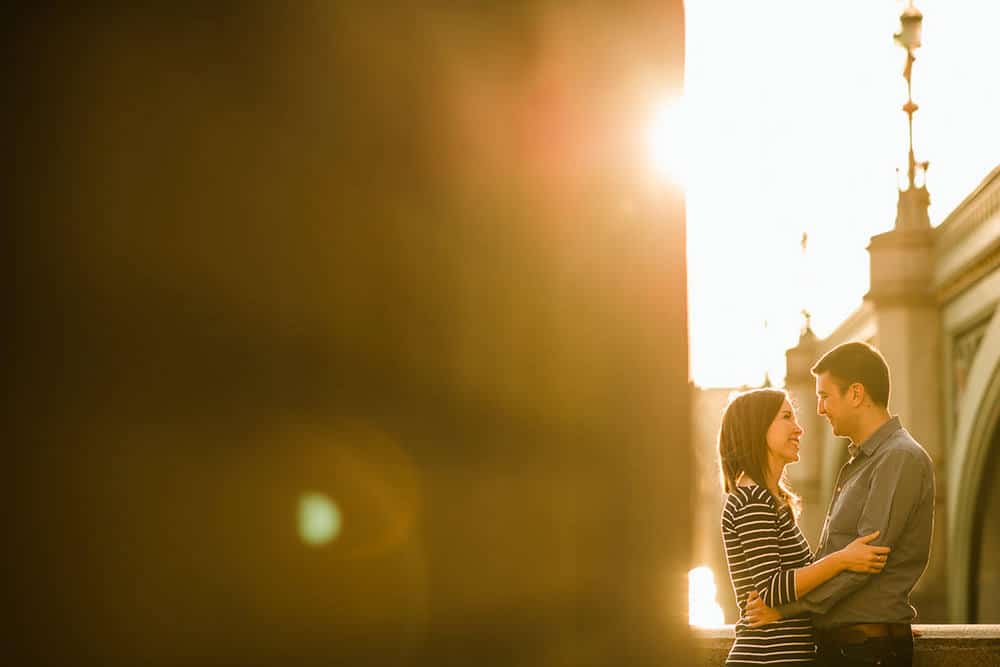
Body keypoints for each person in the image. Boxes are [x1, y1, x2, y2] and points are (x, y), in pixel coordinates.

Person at [745, 342, 935, 667]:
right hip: (852, 647)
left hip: (866, 651)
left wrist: (784, 608)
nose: (819, 408)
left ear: (856, 394)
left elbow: (865, 565)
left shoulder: (898, 458)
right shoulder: (862, 461)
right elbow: (843, 560)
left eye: (824, 395)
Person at [718, 388, 890, 666]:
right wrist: (843, 558)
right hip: (765, 658)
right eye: (786, 417)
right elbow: (772, 590)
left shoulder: (768, 499)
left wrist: (881, 622)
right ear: (757, 427)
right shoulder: (753, 500)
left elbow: (807, 586)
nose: (799, 429)